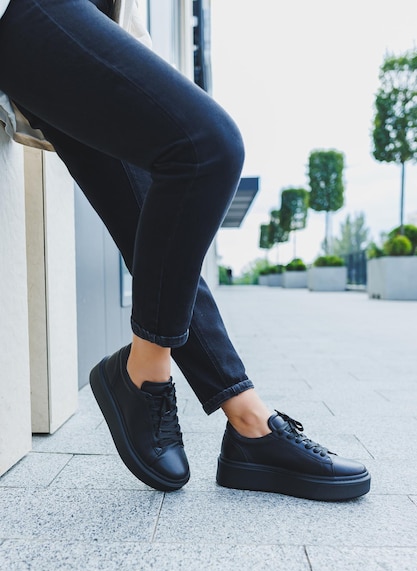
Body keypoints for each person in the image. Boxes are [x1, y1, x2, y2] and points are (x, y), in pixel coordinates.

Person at [0, 0, 370, 501]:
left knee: (159, 222)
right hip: (28, 14)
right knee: (207, 147)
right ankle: (145, 374)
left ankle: (249, 425)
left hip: (78, 27)